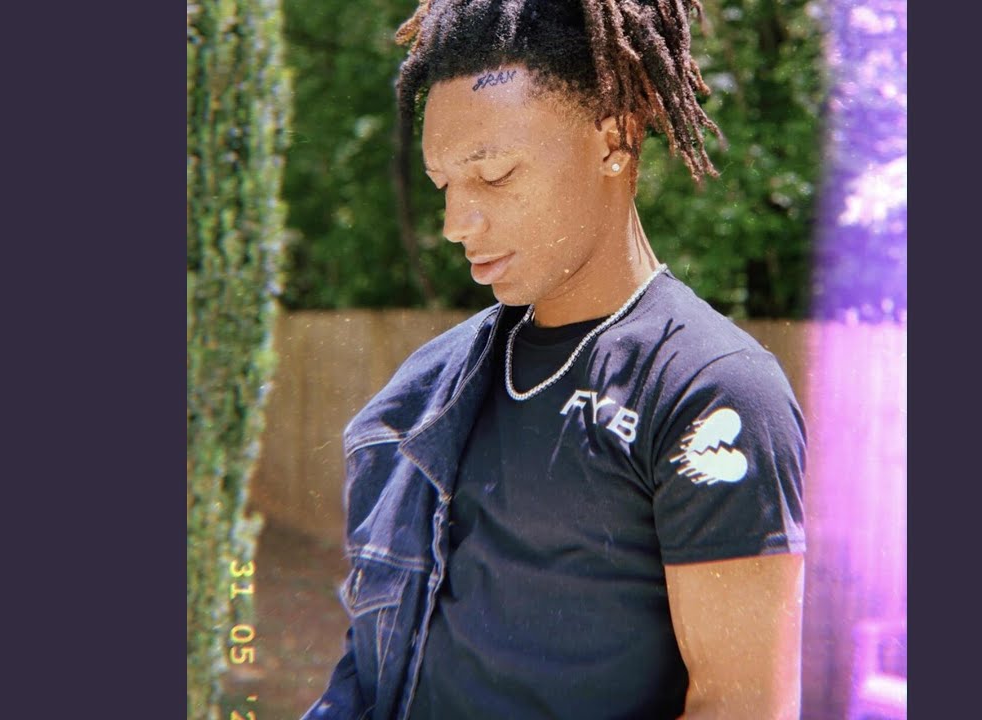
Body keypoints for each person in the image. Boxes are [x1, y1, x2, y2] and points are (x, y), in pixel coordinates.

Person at [302, 1, 806, 718]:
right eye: (445, 184)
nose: (455, 223)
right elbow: (371, 664)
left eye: (494, 174)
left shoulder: (709, 390)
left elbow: (739, 705)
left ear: (614, 140)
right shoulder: (427, 390)